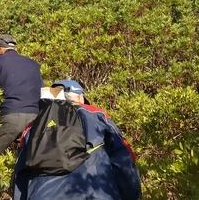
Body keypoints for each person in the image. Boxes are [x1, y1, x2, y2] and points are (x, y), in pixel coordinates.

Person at [12, 80, 142, 200]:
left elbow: (20, 173)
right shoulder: (96, 115)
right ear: (80, 97)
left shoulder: (33, 126)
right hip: (95, 194)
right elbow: (124, 161)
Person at [0, 33, 44, 154]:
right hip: (36, 118)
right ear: (15, 48)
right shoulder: (33, 64)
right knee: (27, 159)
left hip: (11, 116)